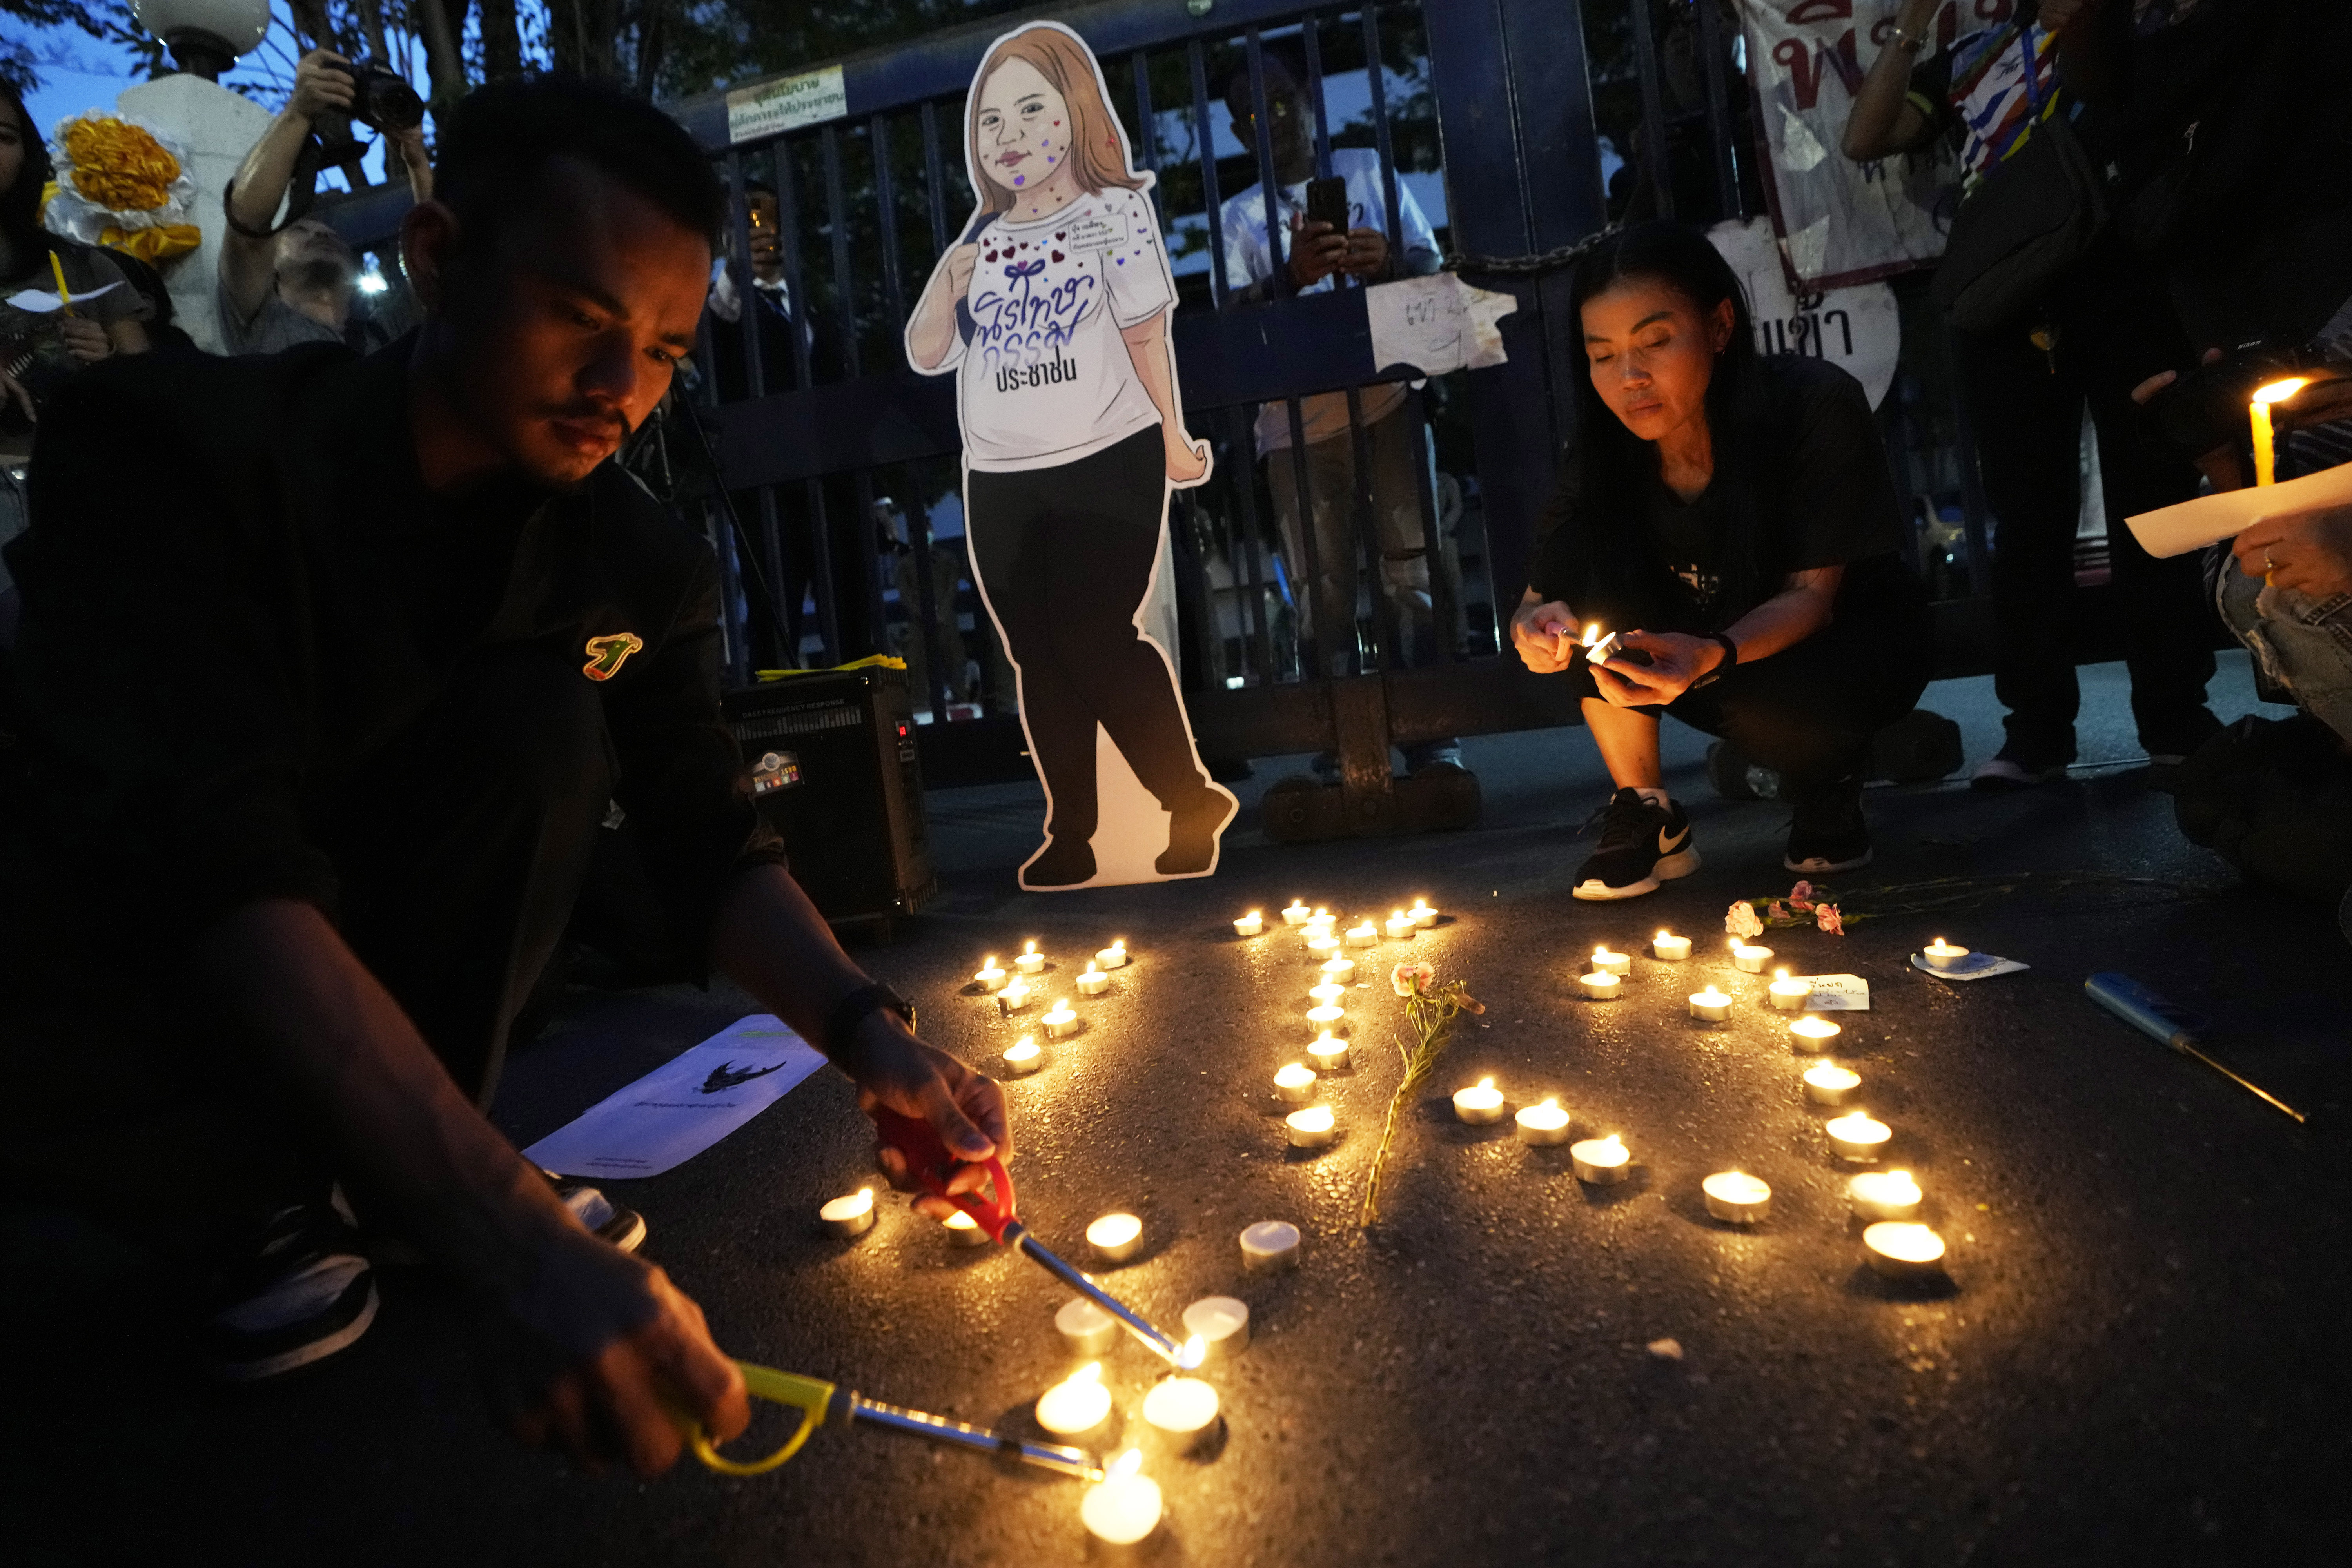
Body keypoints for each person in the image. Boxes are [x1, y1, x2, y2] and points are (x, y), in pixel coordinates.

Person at [0, 78, 1008, 1475]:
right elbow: (202, 856)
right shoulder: (185, 457)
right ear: (435, 259)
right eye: (584, 321)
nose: (622, 391)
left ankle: (408, 1173)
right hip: (103, 1002)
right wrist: (512, 1239)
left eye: (661, 350)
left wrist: (874, 1040)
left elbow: (699, 830)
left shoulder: (629, 560)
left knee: (539, 726)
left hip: (346, 952)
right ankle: (256, 1200)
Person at [1843, 0, 2218, 790]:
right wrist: (1914, 20)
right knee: (2028, 519)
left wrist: (2081, 20)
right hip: (2012, 300)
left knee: (2153, 502)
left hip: (2128, 285)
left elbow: (2105, 82)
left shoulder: (2142, 31)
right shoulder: (1975, 57)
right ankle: (2038, 730)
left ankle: (2176, 715)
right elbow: (1865, 137)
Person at [906, 22, 1238, 889]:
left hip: (1107, 455)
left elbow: (1145, 332)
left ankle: (1186, 797)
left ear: (1075, 110)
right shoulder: (979, 244)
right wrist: (949, 280)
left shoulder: (1115, 213)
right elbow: (925, 351)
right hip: (1000, 475)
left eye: (1030, 109)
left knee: (1094, 639)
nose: (1009, 134)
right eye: (991, 119)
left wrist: (1170, 434)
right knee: (1036, 656)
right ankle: (1072, 832)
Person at [1509, 223, 1933, 899]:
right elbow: (1543, 594)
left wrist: (1708, 654)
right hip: (1696, 659)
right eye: (1602, 355)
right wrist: (1536, 627)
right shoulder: (1605, 450)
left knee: (1791, 719)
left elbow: (1813, 597)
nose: (1630, 378)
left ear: (1719, 325)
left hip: (1833, 655)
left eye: (1654, 342)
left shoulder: (1812, 404)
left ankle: (1830, 781)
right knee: (1590, 601)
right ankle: (1648, 807)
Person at [1216, 50, 1464, 777]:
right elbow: (1229, 325)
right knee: (1320, 580)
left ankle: (1429, 727)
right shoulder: (1236, 215)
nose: (1275, 121)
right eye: (1255, 114)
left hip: (1385, 393)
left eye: (1284, 101)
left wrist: (1382, 262)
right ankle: (1339, 732)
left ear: (1309, 103)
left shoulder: (1366, 172)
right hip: (1293, 420)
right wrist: (1293, 276)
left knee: (1411, 563)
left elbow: (1431, 268)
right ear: (1239, 132)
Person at [0, 78, 151, 594]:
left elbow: (148, 389)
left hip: (82, 493)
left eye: (4, 136)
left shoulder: (81, 265)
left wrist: (107, 358)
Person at [218, 48, 434, 355]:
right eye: (300, 231)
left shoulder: (386, 332)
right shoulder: (258, 320)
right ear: (272, 271)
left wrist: (418, 164)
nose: (321, 233)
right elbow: (247, 229)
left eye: (333, 236)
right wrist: (299, 112)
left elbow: (434, 268)